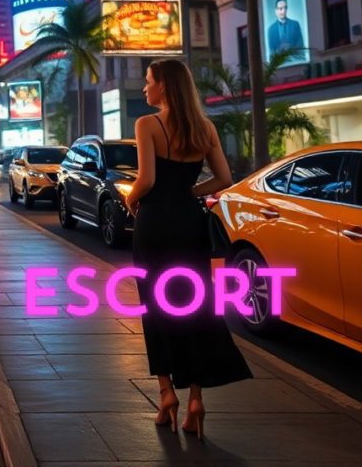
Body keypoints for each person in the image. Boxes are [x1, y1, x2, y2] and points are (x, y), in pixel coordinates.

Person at [123, 59, 251, 440]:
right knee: (193, 307)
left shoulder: (148, 124)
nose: (145, 89)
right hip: (190, 224)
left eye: (149, 82)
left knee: (155, 306)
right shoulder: (205, 127)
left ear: (164, 85)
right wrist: (189, 192)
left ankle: (167, 396)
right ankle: (196, 398)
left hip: (155, 224)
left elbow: (146, 179)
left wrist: (131, 197)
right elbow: (224, 179)